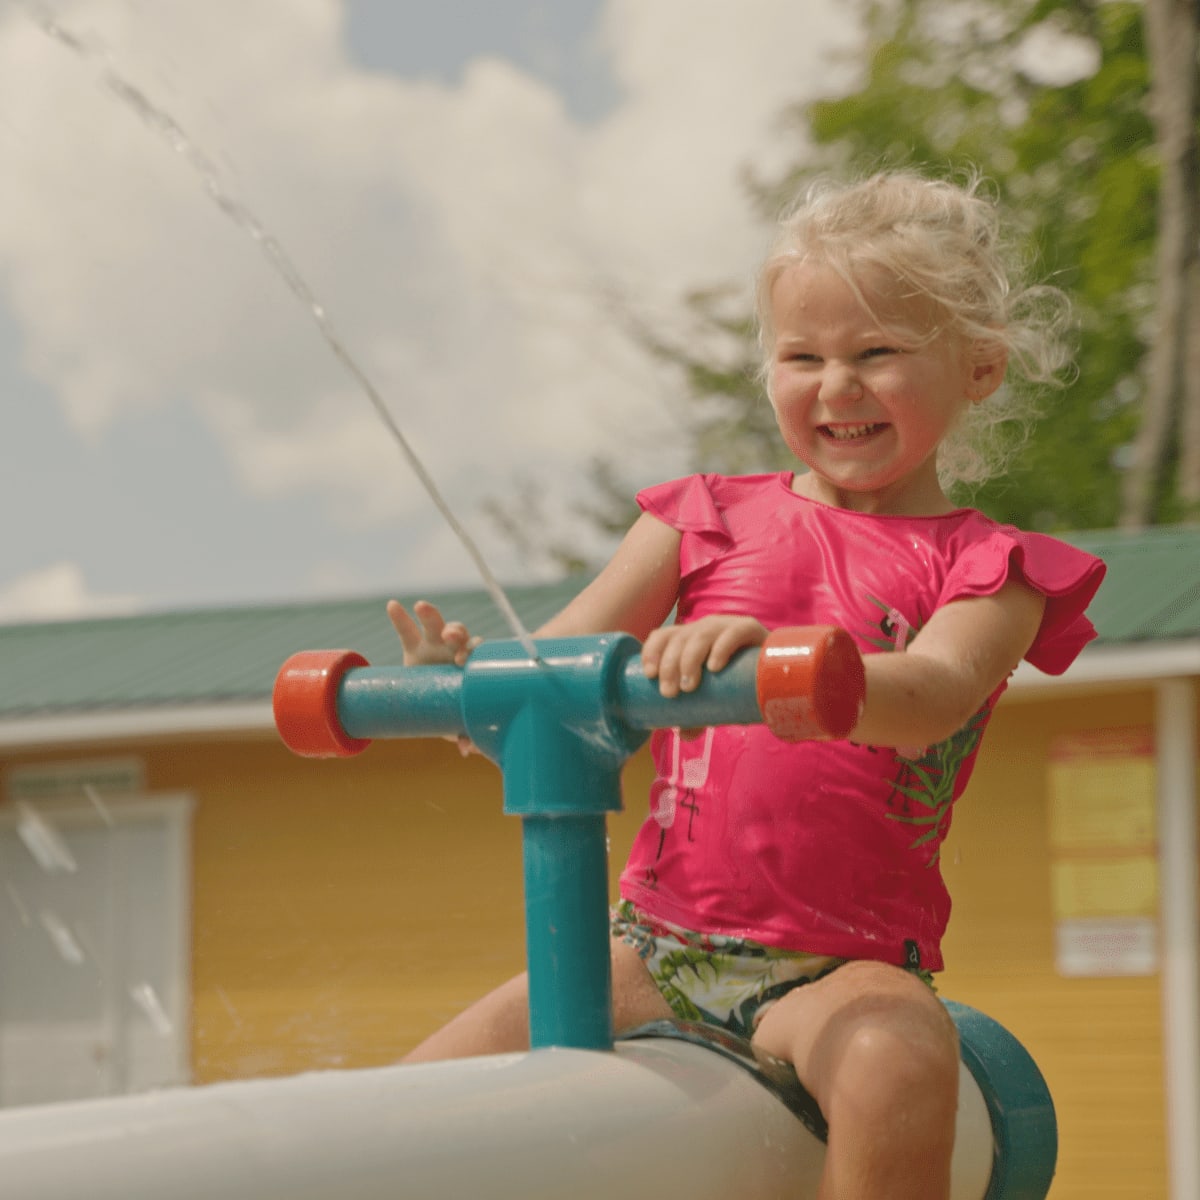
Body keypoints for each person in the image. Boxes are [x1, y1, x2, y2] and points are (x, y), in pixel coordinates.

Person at [387, 169, 1106, 1200]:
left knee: (900, 1058)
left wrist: (777, 652)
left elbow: (935, 695)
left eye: (878, 354)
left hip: (836, 963)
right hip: (650, 946)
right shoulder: (701, 521)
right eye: (801, 357)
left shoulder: (990, 567)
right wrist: (468, 689)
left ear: (979, 368)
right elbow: (553, 679)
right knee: (408, 1107)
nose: (837, 386)